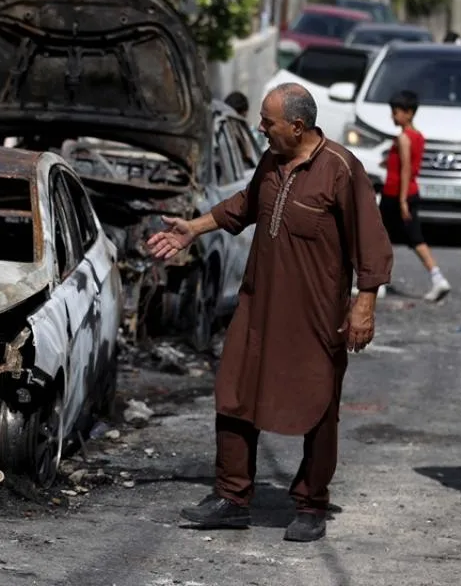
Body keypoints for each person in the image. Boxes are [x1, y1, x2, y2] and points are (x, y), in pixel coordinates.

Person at [147, 83, 393, 543]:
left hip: (315, 315)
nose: (260, 129)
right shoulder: (272, 162)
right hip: (258, 307)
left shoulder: (341, 169)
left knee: (318, 405)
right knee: (235, 393)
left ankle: (310, 504)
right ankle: (232, 497)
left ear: (297, 126)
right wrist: (192, 230)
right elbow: (244, 206)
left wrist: (365, 304)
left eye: (268, 122)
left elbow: (371, 241)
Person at [379, 90, 451, 301]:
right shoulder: (417, 137)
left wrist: (401, 201)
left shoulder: (403, 138)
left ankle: (436, 278)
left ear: (409, 113)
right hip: (408, 192)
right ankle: (435, 278)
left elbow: (406, 169)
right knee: (406, 238)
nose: (393, 116)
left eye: (396, 112)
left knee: (385, 238)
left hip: (396, 194)